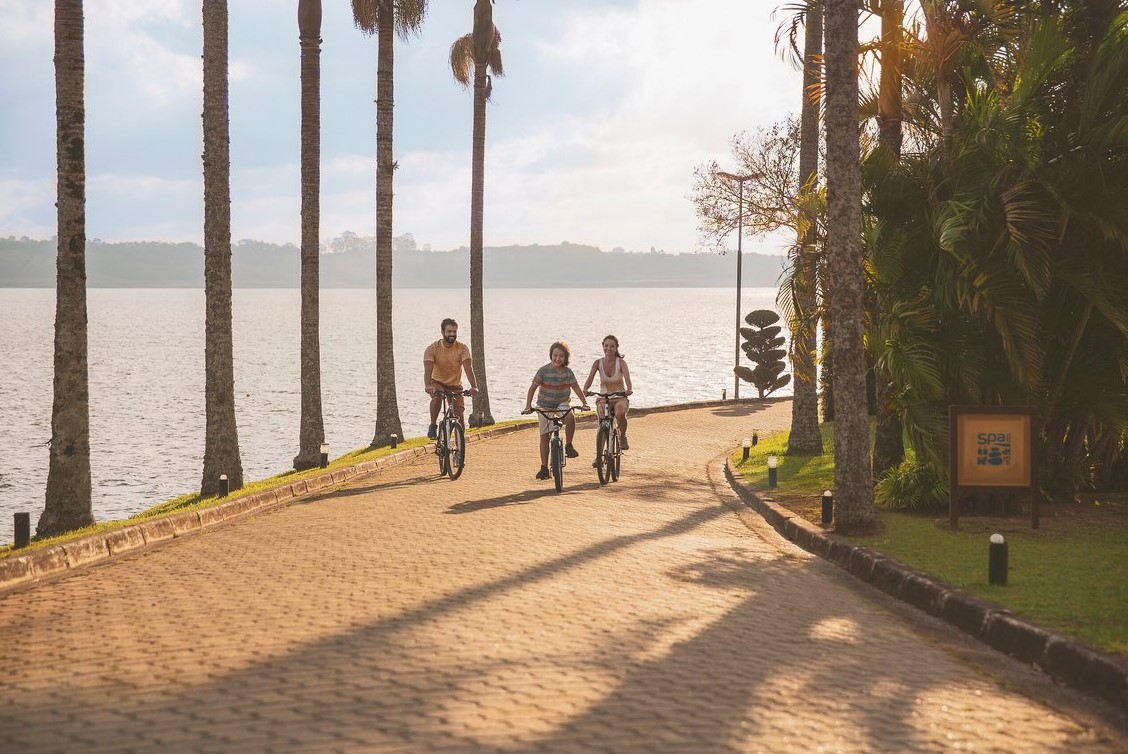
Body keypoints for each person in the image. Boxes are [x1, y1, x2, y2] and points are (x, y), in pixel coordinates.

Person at [522, 341, 589, 480]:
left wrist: (584, 403)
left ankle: (569, 445)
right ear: (551, 355)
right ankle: (544, 468)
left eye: (561, 356)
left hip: (561, 403)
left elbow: (576, 388)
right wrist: (528, 406)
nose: (557, 358)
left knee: (570, 417)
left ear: (566, 358)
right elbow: (532, 388)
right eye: (555, 355)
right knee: (545, 435)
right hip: (544, 405)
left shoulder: (568, 372)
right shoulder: (543, 371)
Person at [423, 318, 478, 438]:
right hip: (437, 381)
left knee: (459, 414)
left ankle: (460, 447)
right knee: (438, 396)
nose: (452, 334)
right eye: (449, 331)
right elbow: (428, 370)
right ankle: (433, 425)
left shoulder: (462, 348)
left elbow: (468, 368)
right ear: (443, 332)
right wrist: (428, 386)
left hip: (455, 384)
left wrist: (474, 386)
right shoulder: (432, 349)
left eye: (454, 331)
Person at [582, 334, 633, 450]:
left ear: (616, 348)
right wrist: (585, 389)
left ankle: (623, 436)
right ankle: (599, 456)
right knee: (602, 423)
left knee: (620, 414)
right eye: (606, 346)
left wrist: (629, 390)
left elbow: (627, 379)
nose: (608, 348)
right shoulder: (597, 363)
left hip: (619, 397)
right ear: (603, 346)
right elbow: (590, 378)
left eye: (612, 346)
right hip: (603, 398)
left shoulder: (621, 363)